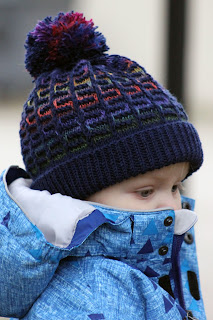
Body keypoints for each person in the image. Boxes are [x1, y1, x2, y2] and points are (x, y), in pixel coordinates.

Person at [0, 11, 206, 320]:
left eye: (176, 186)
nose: (171, 205)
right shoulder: (96, 290)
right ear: (76, 199)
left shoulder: (133, 268)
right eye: (146, 191)